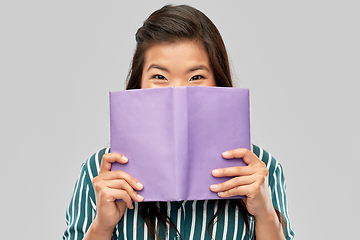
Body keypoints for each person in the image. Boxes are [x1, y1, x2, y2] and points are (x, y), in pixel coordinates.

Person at [63, 4, 295, 240]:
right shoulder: (100, 172)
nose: (177, 92)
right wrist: (102, 226)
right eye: (159, 77)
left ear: (218, 82)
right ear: (138, 84)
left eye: (196, 77)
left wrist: (265, 214)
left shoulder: (261, 169)